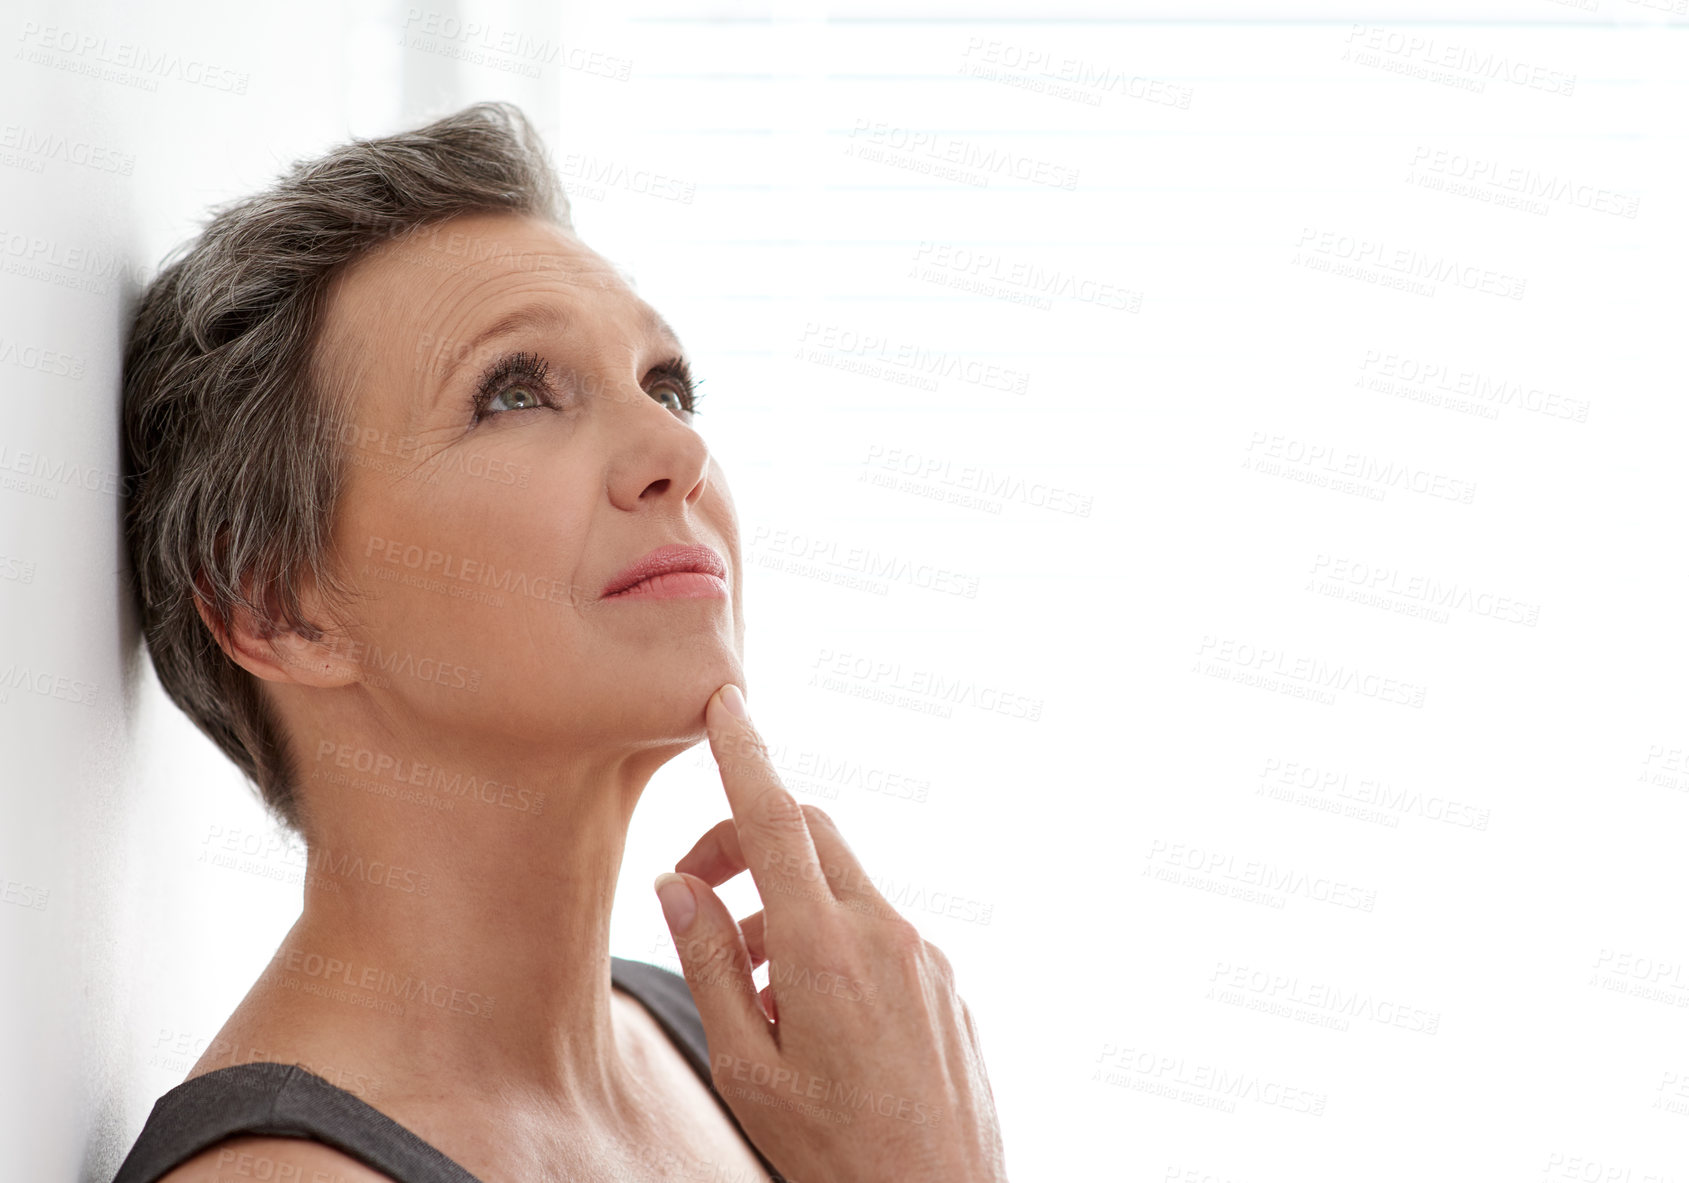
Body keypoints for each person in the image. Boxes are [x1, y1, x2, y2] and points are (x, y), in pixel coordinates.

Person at [112, 102, 1008, 1183]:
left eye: (666, 385)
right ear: (277, 607)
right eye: (517, 394)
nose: (675, 448)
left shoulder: (773, 1079)